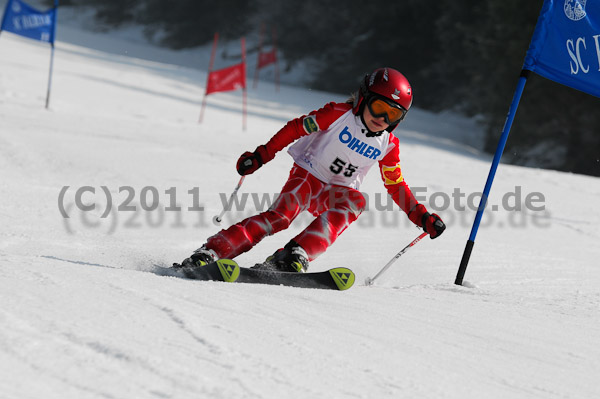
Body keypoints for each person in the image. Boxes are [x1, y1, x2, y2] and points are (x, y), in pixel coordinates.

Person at [179, 67, 446, 272]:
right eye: (378, 107)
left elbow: (396, 185)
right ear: (364, 98)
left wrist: (421, 217)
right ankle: (212, 252)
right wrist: (262, 155)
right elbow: (296, 128)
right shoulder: (338, 114)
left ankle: (295, 253)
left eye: (393, 115)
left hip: (337, 192)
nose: (382, 119)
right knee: (280, 218)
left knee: (357, 201)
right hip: (308, 176)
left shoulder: (388, 144)